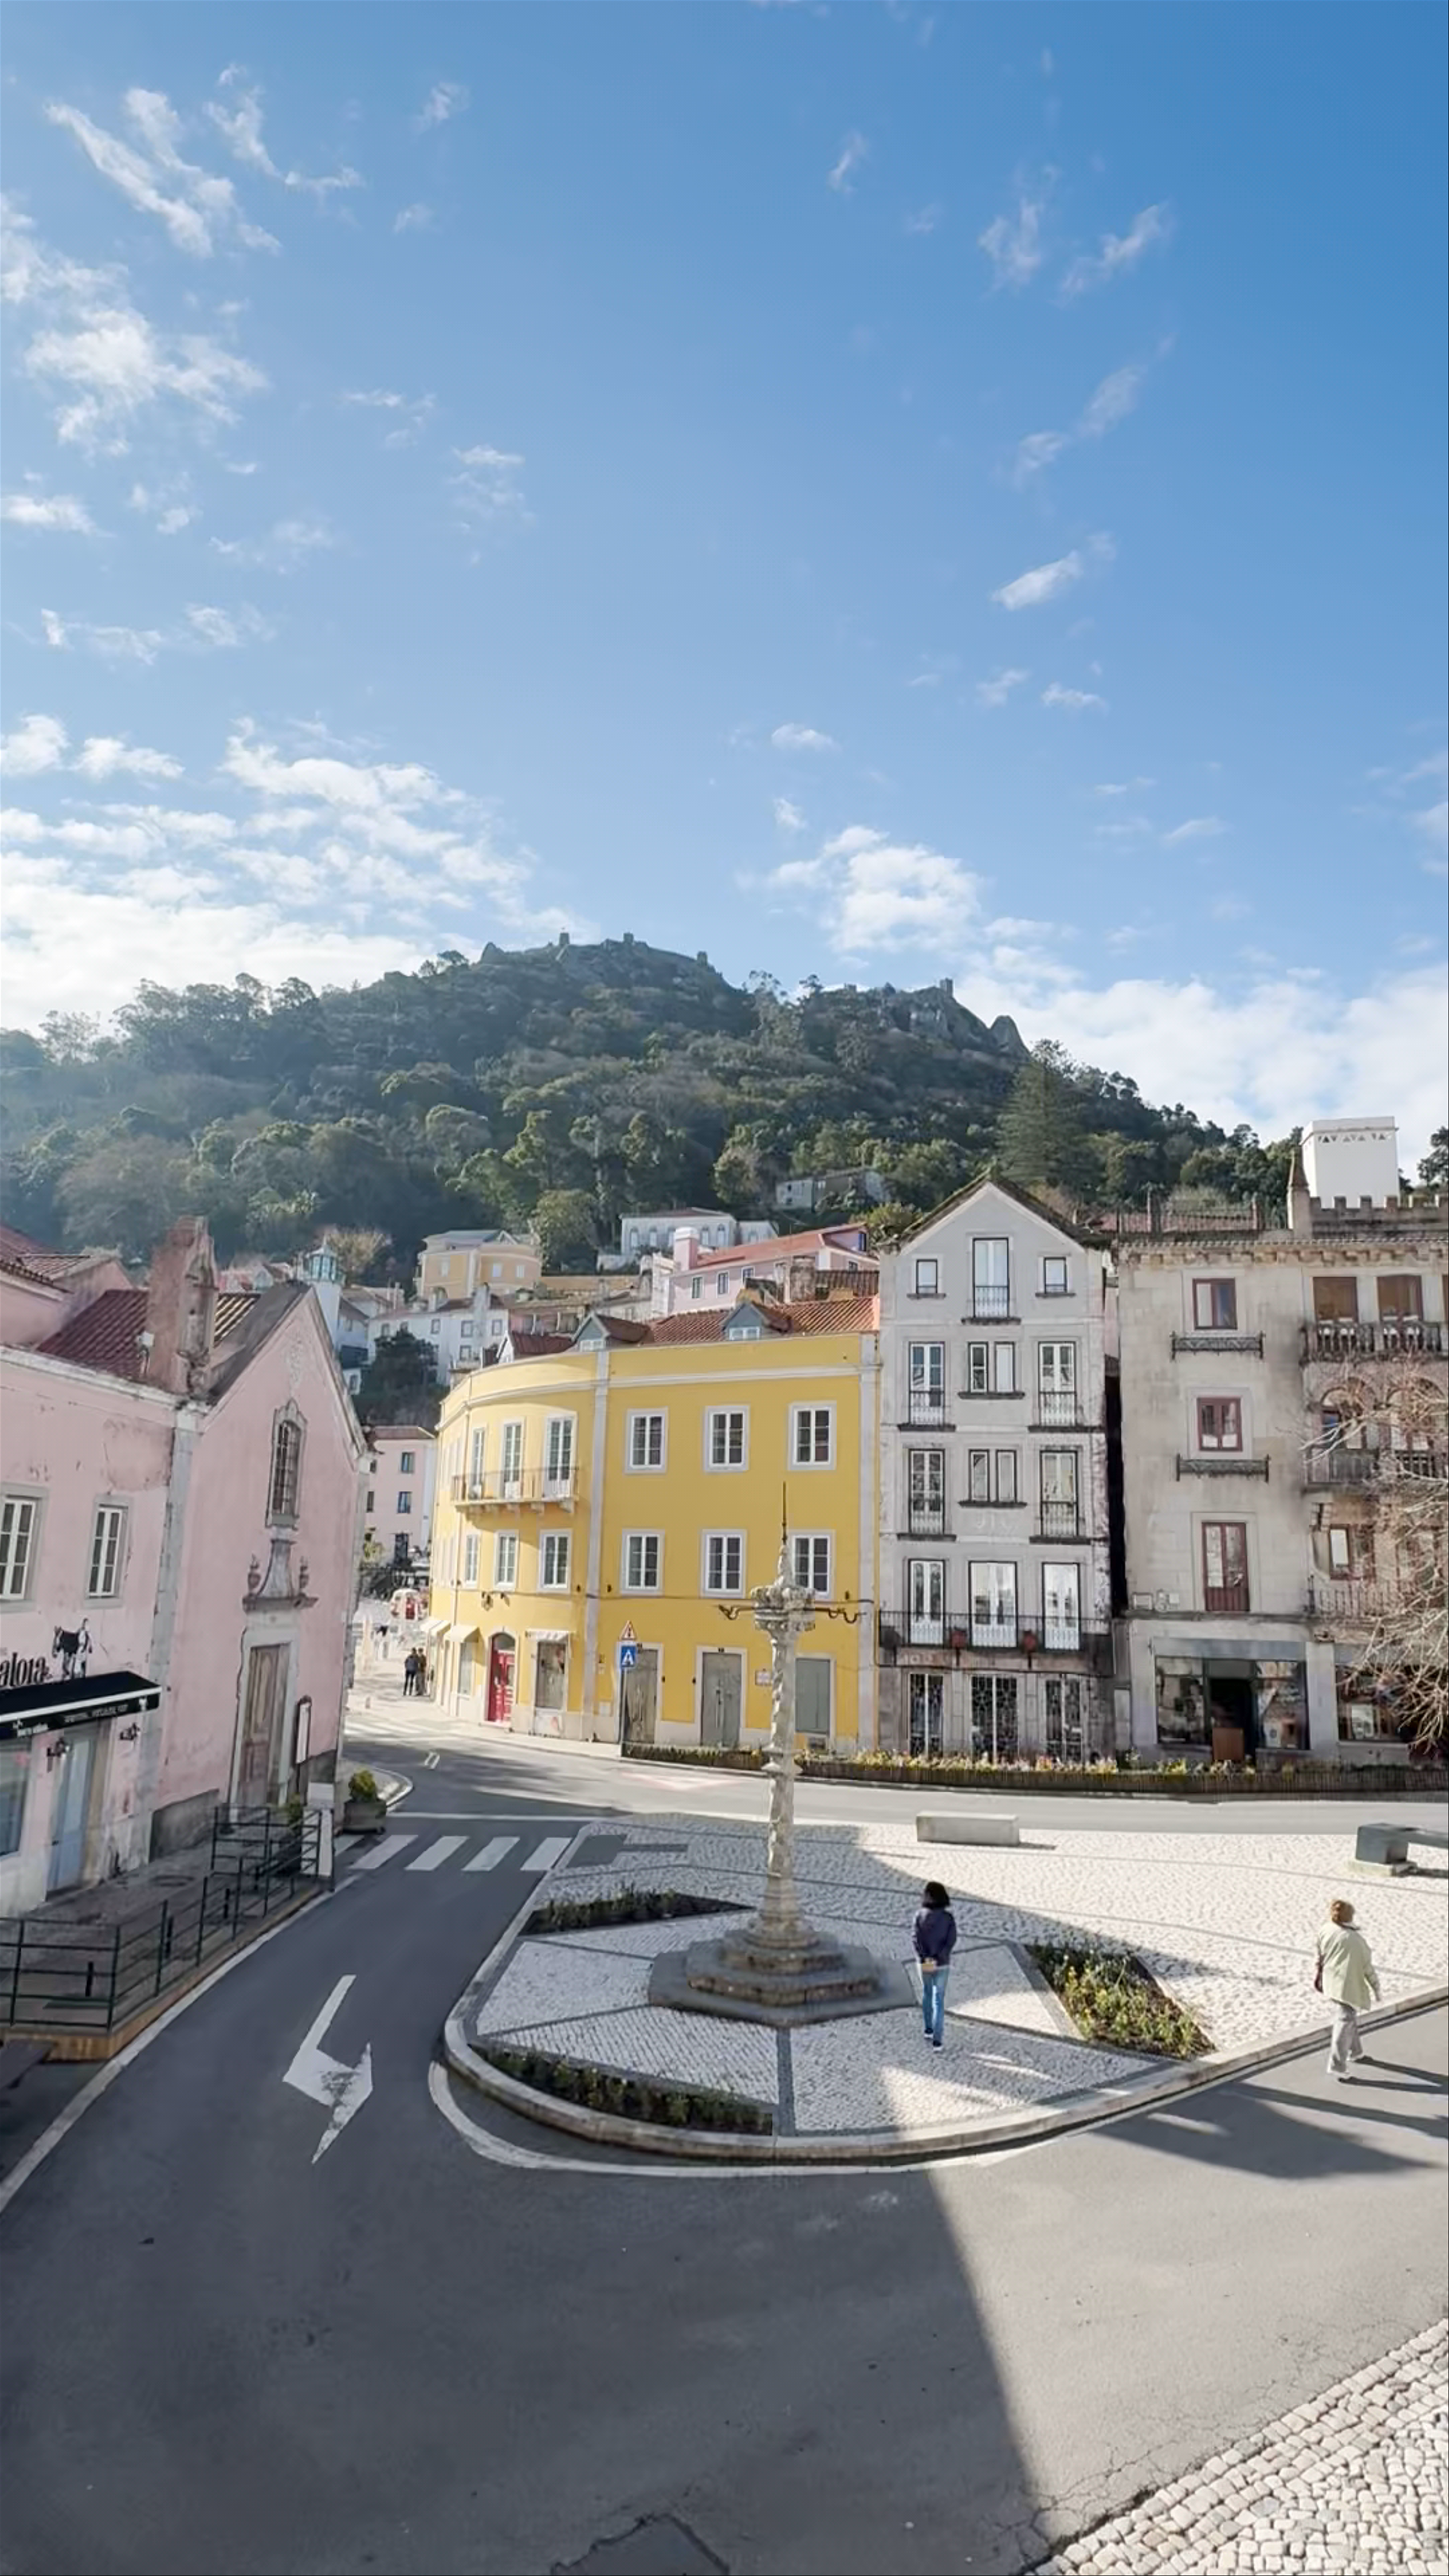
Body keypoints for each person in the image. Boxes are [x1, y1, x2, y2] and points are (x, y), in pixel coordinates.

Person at [1316, 1896, 1380, 2080]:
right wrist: (1376, 1988)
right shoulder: (1355, 1940)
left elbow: (1319, 1952)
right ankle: (1337, 2065)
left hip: (1331, 1982)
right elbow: (1367, 1968)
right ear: (1349, 1917)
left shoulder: (1326, 1929)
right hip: (1347, 1986)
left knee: (1349, 2016)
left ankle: (1356, 2052)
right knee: (1345, 2021)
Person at [914, 1879, 958, 2049]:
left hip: (926, 1963)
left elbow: (916, 1939)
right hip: (943, 1963)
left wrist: (925, 1957)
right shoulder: (948, 1918)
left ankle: (928, 2029)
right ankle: (938, 2041)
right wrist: (941, 1955)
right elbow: (951, 1940)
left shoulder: (920, 1916)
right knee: (939, 1999)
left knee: (927, 1994)